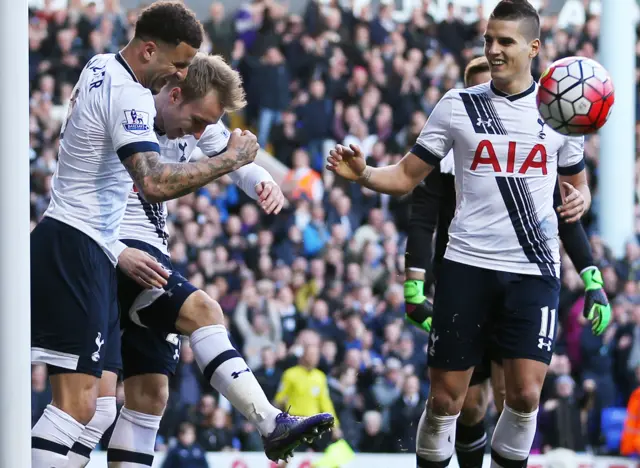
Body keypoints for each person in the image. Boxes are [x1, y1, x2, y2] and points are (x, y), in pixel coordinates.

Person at [326, 1, 610, 466]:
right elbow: (404, 178)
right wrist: (362, 174)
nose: (493, 50)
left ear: (534, 48)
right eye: (488, 40)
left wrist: (583, 200)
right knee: (446, 403)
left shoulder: (560, 113)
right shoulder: (457, 106)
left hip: (533, 271)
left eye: (505, 41)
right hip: (466, 268)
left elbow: (576, 189)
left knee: (522, 398)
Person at [65, 54, 333, 468]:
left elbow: (233, 155)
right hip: (116, 252)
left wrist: (263, 181)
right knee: (199, 314)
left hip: (149, 251)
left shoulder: (195, 119)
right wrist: (117, 249)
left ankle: (271, 423)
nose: (202, 132)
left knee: (150, 397)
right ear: (173, 93)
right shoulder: (128, 108)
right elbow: (150, 182)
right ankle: (269, 421)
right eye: (199, 120)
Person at [403, 56, 611, 468]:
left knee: (514, 395)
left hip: (522, 277)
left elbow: (564, 212)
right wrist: (415, 283)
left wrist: (591, 275)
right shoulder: (451, 143)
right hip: (466, 277)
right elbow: (423, 215)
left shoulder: (538, 138)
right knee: (467, 403)